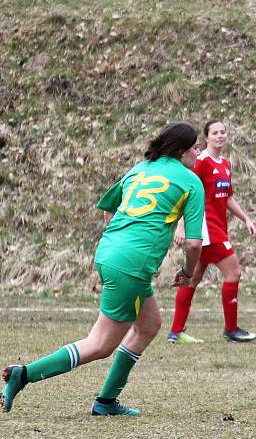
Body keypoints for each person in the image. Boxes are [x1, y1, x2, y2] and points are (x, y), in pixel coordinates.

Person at [2, 122, 205, 416]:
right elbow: (194, 244)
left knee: (148, 325)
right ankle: (24, 374)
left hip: (109, 251)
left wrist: (119, 237)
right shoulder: (190, 181)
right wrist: (187, 273)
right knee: (100, 344)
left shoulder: (140, 168)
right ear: (182, 150)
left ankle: (106, 401)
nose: (199, 154)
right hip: (132, 264)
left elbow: (109, 205)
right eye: (197, 148)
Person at [167, 119, 256, 344]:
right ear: (206, 138)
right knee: (233, 272)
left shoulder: (225, 163)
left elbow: (227, 197)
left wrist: (245, 218)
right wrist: (181, 225)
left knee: (192, 278)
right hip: (206, 229)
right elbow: (187, 192)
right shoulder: (202, 162)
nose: (220, 136)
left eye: (223, 132)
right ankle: (231, 329)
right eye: (214, 133)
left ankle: (175, 332)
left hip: (218, 228)